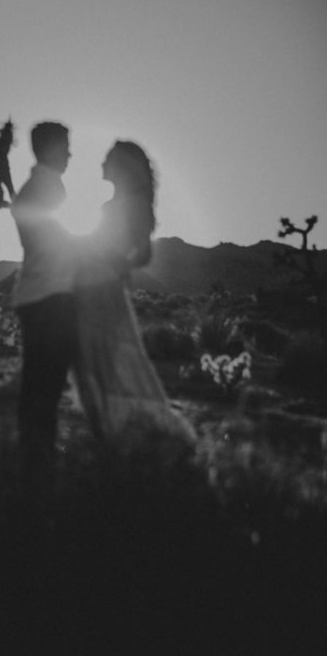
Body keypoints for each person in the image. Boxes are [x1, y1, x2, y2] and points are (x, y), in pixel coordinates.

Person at [74, 140, 194, 447]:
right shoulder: (110, 205)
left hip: (107, 292)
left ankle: (126, 435)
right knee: (89, 363)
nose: (102, 165)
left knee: (110, 363)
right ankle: (105, 433)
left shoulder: (137, 203)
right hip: (85, 289)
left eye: (108, 160)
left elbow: (143, 255)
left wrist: (112, 263)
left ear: (122, 166)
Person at [11, 121, 77, 475]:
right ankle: (38, 463)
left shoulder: (38, 187)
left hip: (39, 293)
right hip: (49, 295)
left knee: (39, 383)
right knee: (45, 385)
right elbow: (49, 241)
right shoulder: (45, 188)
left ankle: (33, 458)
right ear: (49, 147)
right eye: (65, 145)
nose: (70, 153)